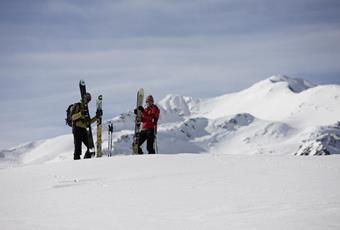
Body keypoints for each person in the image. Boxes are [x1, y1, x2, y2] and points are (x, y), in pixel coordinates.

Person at [71, 93, 101, 160]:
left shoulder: (86, 109)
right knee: (78, 148)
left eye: (89, 99)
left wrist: (96, 117)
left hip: (84, 129)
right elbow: (72, 117)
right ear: (83, 98)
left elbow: (88, 122)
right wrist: (80, 114)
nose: (88, 101)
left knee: (91, 148)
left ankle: (85, 162)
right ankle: (76, 163)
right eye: (87, 99)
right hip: (77, 129)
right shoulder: (78, 106)